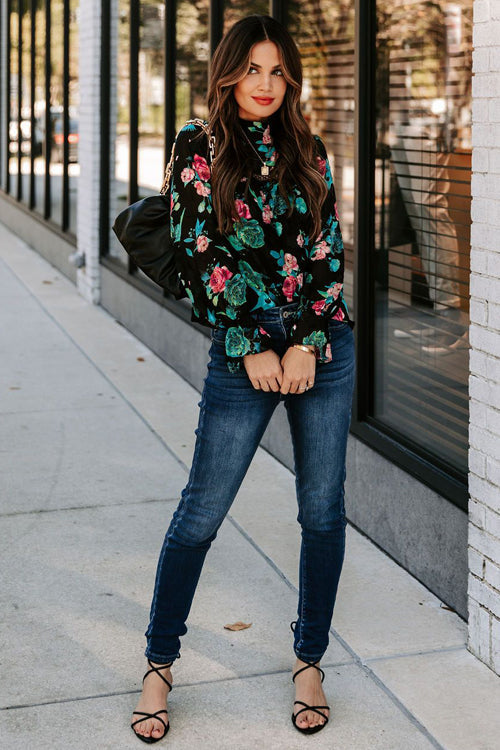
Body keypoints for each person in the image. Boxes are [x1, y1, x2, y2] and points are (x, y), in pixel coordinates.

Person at [130, 13, 356, 743]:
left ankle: (309, 662)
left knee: (322, 515)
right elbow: (201, 254)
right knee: (201, 513)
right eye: (252, 69)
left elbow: (328, 251)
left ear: (291, 78)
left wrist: (309, 341)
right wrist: (254, 343)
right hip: (244, 353)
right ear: (228, 73)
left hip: (321, 351)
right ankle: (159, 665)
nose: (266, 84)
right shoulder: (200, 146)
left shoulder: (308, 146)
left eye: (278, 71)